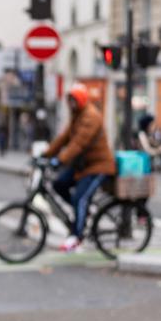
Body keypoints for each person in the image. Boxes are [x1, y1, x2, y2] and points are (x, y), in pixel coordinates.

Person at [43, 83, 116, 252]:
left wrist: (59, 160)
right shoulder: (77, 115)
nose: (71, 104)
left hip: (99, 166)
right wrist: (46, 154)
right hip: (83, 166)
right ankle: (84, 211)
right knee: (58, 184)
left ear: (81, 100)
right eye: (70, 100)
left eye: (74, 100)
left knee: (79, 198)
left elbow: (78, 144)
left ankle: (77, 236)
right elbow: (64, 138)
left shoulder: (90, 116)